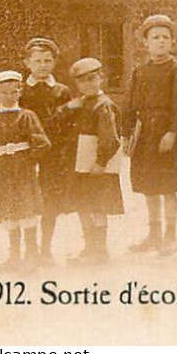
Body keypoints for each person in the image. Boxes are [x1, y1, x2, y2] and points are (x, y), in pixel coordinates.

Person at [121, 13, 177, 256]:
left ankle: (170, 235)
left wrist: (172, 132)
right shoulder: (140, 71)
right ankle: (153, 235)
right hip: (145, 134)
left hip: (166, 133)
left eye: (165, 37)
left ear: (172, 42)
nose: (160, 41)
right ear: (145, 42)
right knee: (149, 187)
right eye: (155, 37)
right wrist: (126, 134)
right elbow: (129, 104)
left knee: (167, 187)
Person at [0, 70, 50, 270]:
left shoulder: (26, 116)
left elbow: (43, 144)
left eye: (14, 92)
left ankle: (31, 257)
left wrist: (26, 159)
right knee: (9, 211)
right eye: (5, 92)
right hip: (2, 173)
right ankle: (14, 258)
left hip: (23, 173)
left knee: (26, 210)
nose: (10, 96)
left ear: (20, 92)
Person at [61, 57, 124, 265]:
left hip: (96, 167)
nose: (88, 84)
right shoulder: (81, 104)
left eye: (92, 78)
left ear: (101, 79)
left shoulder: (103, 105)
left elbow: (111, 138)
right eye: (82, 81)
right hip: (81, 165)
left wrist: (101, 161)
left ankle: (100, 250)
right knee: (83, 206)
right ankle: (89, 247)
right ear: (77, 84)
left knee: (97, 207)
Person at [19, 37, 72, 264]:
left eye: (47, 61)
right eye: (38, 60)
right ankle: (30, 248)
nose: (43, 65)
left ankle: (46, 249)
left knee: (50, 199)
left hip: (54, 152)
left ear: (54, 63)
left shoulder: (61, 91)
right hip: (27, 152)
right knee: (27, 197)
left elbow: (69, 123)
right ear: (27, 62)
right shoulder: (20, 90)